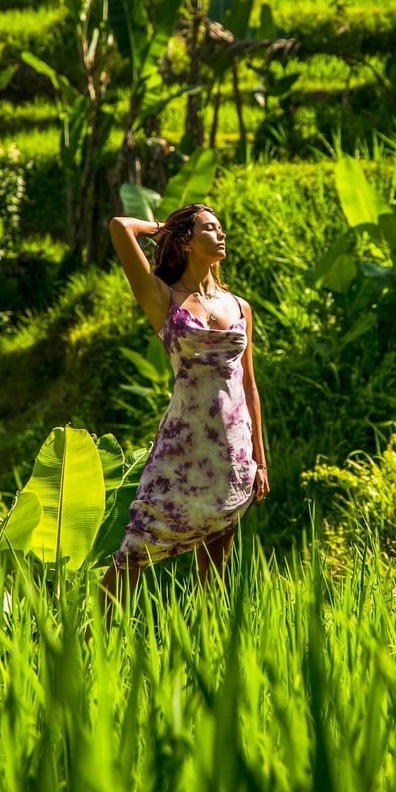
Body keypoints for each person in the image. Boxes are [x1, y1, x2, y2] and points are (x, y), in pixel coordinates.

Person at [101, 203, 269, 608]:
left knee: (216, 562)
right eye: (209, 228)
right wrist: (165, 227)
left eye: (220, 228)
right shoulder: (163, 299)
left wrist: (260, 461)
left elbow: (248, 384)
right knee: (133, 552)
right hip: (181, 448)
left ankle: (209, 649)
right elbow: (120, 226)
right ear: (187, 242)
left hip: (231, 449)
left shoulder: (239, 307)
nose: (221, 235)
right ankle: (88, 646)